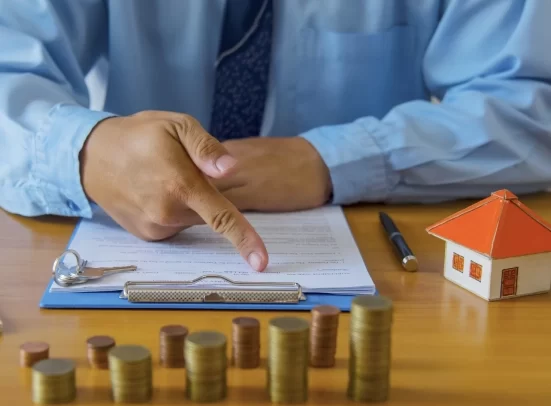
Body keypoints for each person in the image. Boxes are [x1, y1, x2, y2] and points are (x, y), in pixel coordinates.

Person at [1, 1, 551, 272]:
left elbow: (529, 103)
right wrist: (87, 150)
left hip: (375, 266)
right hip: (133, 253)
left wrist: (329, 160)